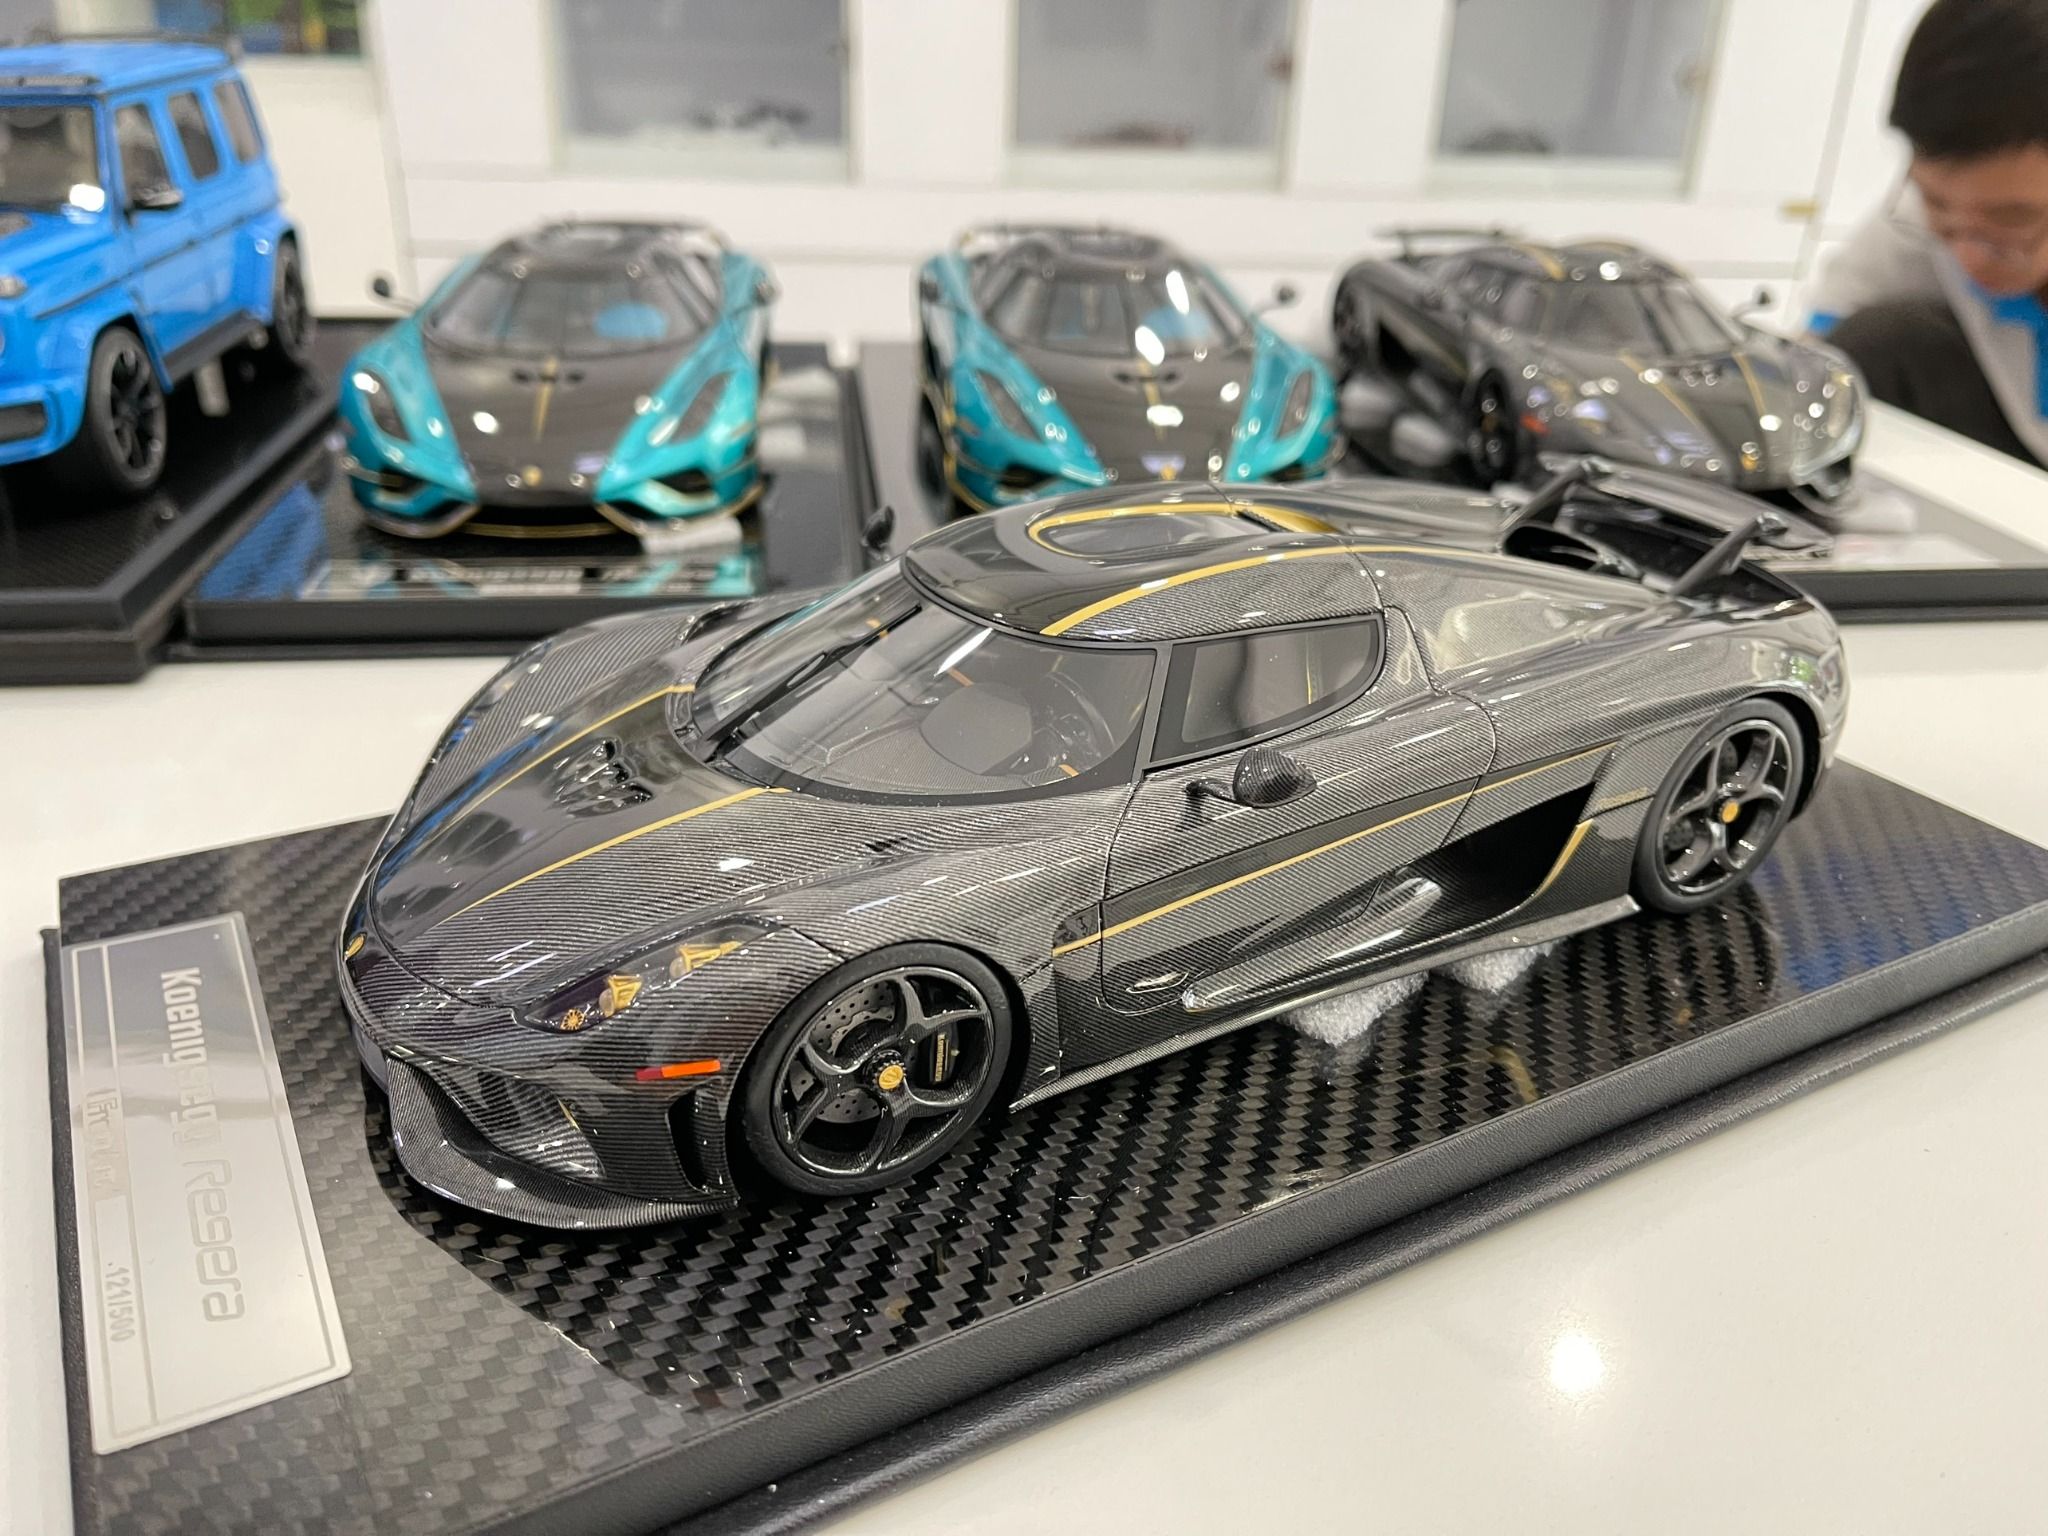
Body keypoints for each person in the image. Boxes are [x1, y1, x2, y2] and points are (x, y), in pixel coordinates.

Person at [1808, 0, 2048, 466]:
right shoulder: (1918, 218)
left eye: (2012, 219)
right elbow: (1813, 348)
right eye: (1938, 207)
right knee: (1875, 345)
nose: (1971, 258)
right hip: (2010, 443)